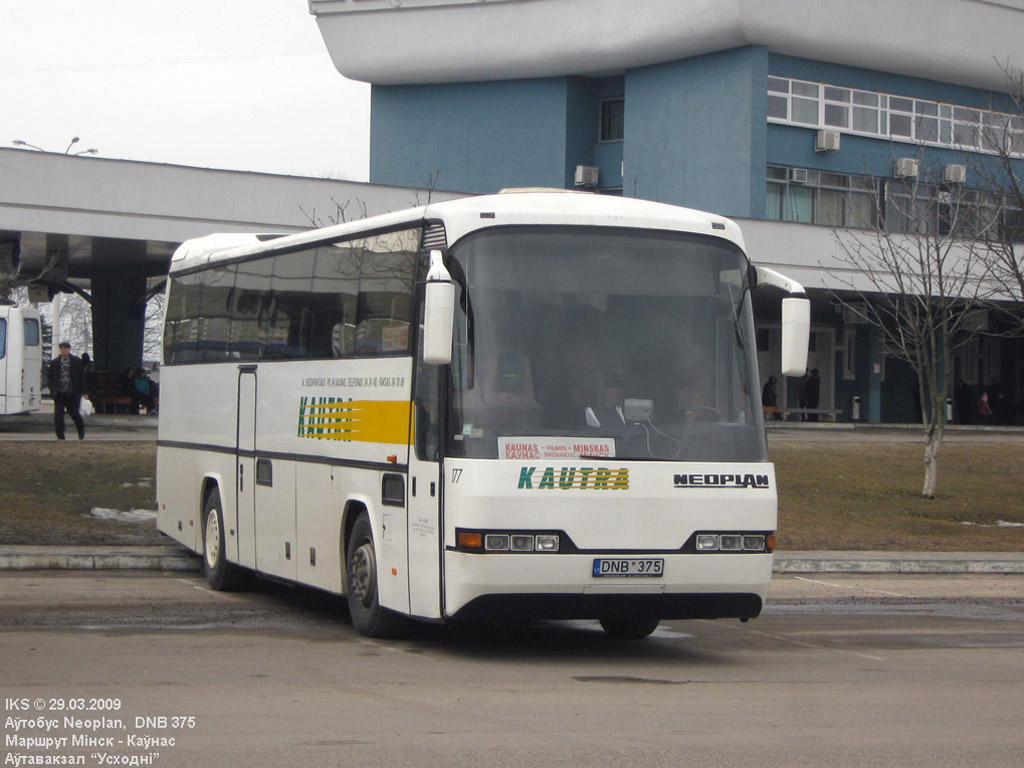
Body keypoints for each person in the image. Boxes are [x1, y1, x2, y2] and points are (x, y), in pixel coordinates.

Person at [47, 341, 86, 440]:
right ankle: (60, 435)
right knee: (58, 415)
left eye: (65, 348)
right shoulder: (55, 362)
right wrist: (52, 389)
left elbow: (81, 377)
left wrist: (84, 392)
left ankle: (81, 429)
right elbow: (50, 378)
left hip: (72, 393)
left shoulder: (76, 362)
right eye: (62, 349)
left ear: (69, 349)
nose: (63, 350)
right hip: (60, 393)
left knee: (74, 413)